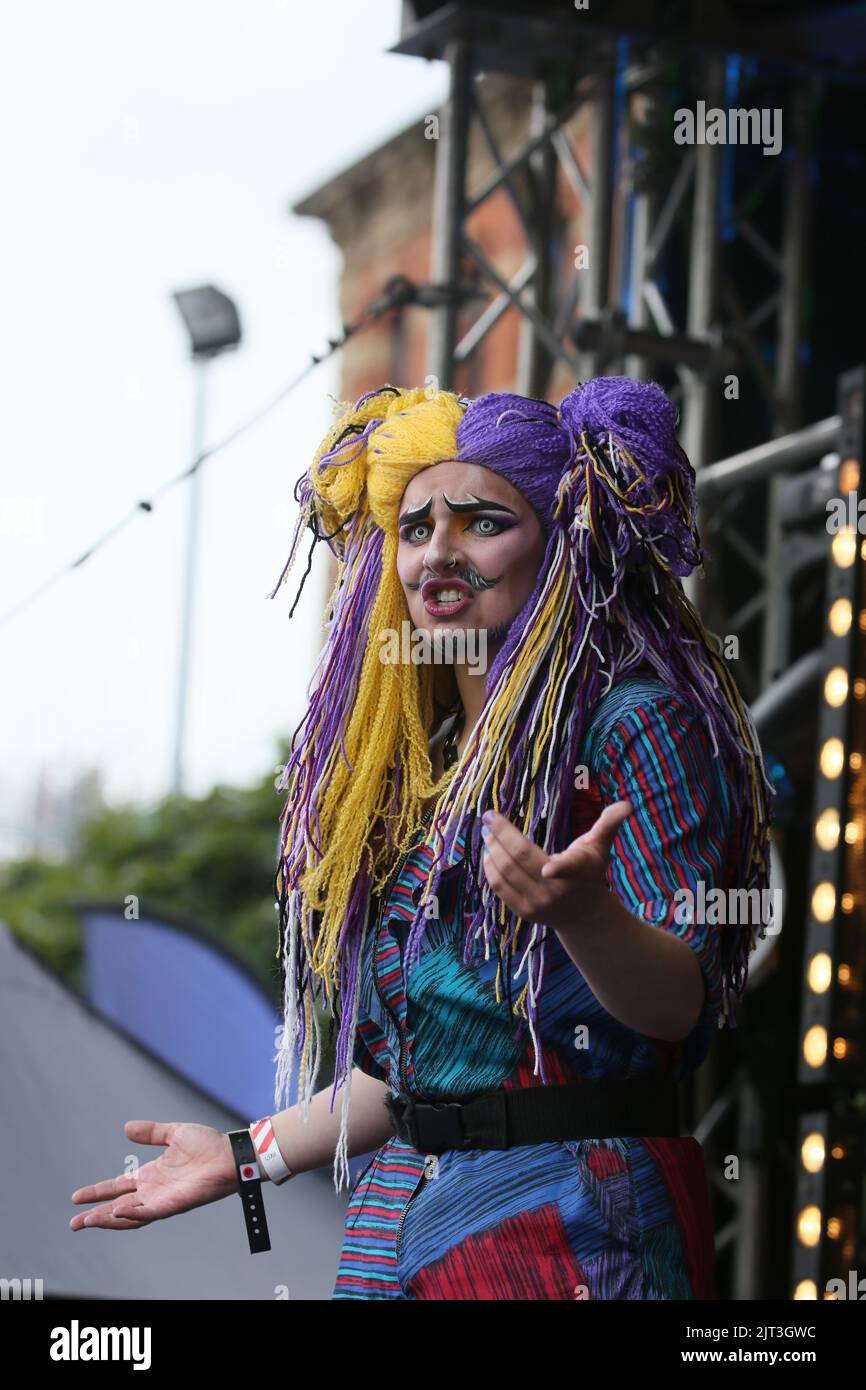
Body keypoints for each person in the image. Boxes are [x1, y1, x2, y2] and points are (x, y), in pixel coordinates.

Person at [70, 377, 774, 1302]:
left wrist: (585, 916)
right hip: (397, 1223)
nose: (438, 552)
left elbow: (676, 1003)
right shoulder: (436, 772)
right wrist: (248, 1157)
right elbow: (407, 1078)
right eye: (414, 528)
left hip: (569, 1227)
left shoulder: (628, 722)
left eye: (483, 522)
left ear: (561, 546)